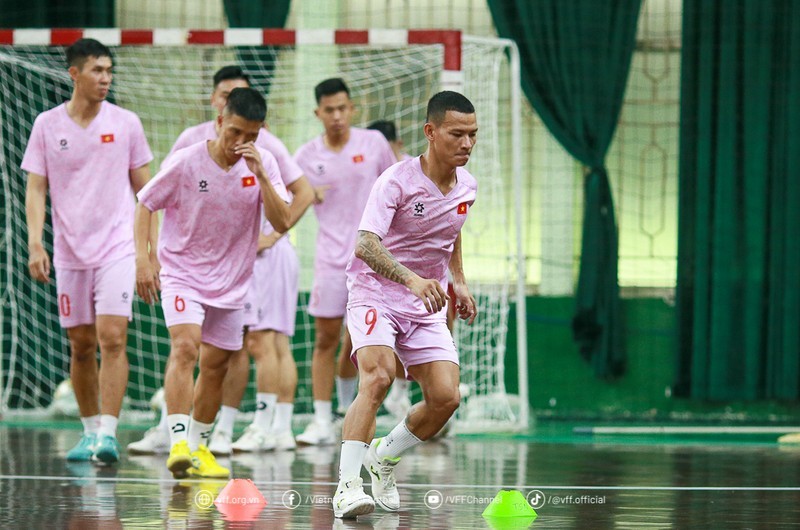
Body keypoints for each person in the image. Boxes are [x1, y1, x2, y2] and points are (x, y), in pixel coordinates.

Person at [128, 65, 314, 456]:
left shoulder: (264, 163)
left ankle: (198, 448)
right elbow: (145, 202)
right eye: (234, 132)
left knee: (217, 365)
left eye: (251, 135)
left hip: (233, 281)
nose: (240, 142)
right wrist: (144, 261)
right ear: (219, 122)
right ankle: (178, 442)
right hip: (182, 273)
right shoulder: (186, 159)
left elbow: (282, 221)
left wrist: (262, 175)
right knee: (185, 347)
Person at [332, 91, 478, 519]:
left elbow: (452, 230)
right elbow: (365, 245)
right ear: (431, 132)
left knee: (446, 399)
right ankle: (346, 487)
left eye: (473, 135)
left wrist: (460, 281)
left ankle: (384, 457)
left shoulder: (467, 185)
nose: (467, 143)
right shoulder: (395, 180)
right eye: (457, 134)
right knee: (376, 379)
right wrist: (412, 279)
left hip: (425, 303)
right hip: (375, 293)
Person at [22, 38, 155, 465]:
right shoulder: (47, 125)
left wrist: (147, 252)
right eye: (97, 70)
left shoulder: (127, 122)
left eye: (109, 71)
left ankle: (110, 435)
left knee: (112, 338)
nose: (105, 78)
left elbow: (147, 193)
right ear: (74, 74)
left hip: (116, 248)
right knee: (80, 346)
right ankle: (89, 430)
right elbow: (36, 187)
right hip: (67, 253)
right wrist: (35, 242)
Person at [293, 78, 396, 446]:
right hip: (330, 260)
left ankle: (362, 409)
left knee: (361, 341)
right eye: (329, 110)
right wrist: (306, 196)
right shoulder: (305, 156)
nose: (336, 116)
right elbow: (285, 198)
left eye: (342, 108)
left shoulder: (375, 144)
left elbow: (397, 186)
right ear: (317, 113)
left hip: (374, 260)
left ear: (352, 108)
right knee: (326, 339)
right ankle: (323, 419)